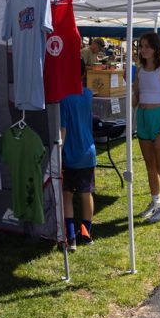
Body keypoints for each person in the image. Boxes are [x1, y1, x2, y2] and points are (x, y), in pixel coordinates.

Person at [133, 32, 160, 223]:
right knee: (149, 165)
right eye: (141, 46)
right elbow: (136, 97)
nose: (144, 50)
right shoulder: (140, 70)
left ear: (157, 48)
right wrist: (131, 94)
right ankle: (155, 202)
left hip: (158, 118)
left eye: (147, 46)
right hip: (142, 117)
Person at [59, 87, 98, 250]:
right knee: (86, 194)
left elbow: (63, 129)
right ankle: (86, 235)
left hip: (70, 154)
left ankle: (71, 238)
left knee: (67, 195)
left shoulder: (64, 98)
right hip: (88, 152)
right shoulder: (88, 94)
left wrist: (58, 154)